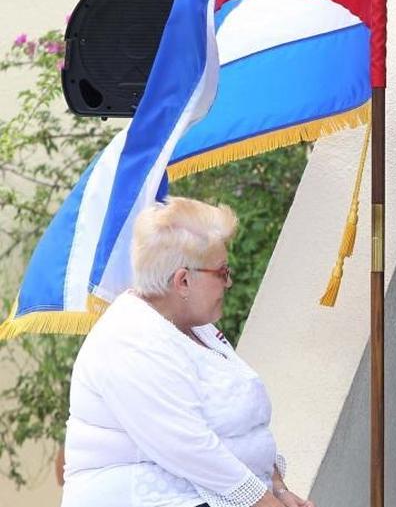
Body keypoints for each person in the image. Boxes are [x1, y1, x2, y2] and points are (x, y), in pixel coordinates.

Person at [61, 197, 314, 507]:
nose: (229, 282)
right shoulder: (130, 340)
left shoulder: (195, 328)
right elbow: (187, 446)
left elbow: (242, 425)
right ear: (183, 281)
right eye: (222, 272)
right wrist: (264, 503)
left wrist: (278, 489)